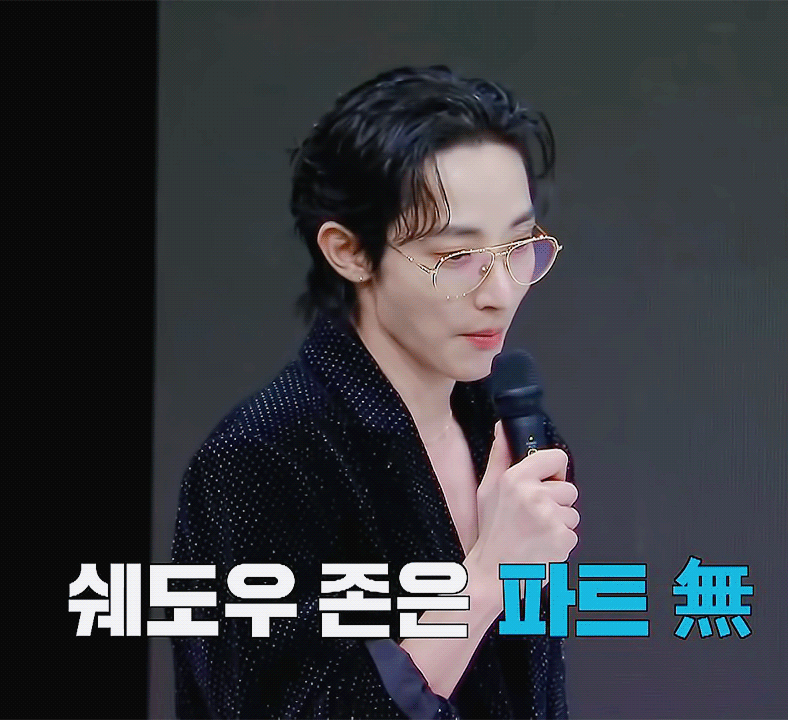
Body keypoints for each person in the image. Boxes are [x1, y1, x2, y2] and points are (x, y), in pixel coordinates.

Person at [171, 65, 580, 719]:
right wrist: (486, 578)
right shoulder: (259, 460)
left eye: (520, 245)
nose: (502, 292)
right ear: (349, 251)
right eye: (457, 256)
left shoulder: (511, 435)